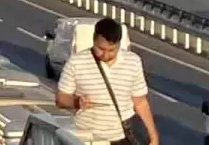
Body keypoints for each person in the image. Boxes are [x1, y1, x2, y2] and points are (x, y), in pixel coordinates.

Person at [56, 17, 159, 145]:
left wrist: (153, 137)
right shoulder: (76, 62)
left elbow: (140, 102)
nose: (105, 55)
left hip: (122, 137)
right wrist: (76, 102)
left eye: (111, 50)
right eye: (101, 49)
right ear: (93, 40)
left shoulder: (133, 62)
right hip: (87, 137)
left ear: (119, 44)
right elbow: (61, 98)